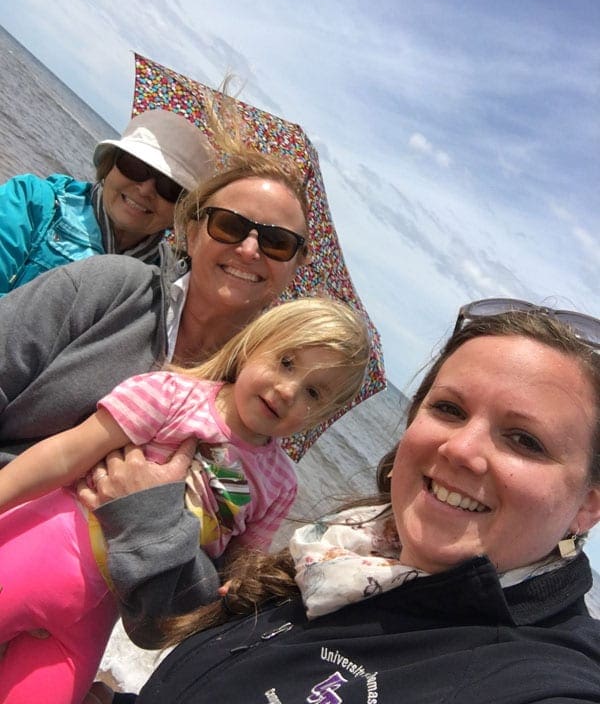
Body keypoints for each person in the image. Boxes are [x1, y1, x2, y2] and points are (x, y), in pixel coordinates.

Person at [95, 299, 600, 704]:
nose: (462, 450)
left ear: (589, 505)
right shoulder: (344, 555)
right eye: (448, 409)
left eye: (524, 441)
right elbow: (188, 631)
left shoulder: (539, 679)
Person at [0, 297, 369, 704]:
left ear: (321, 416)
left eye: (313, 392)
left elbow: (240, 567)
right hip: (46, 548)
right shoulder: (173, 395)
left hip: (101, 613)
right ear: (254, 343)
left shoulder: (281, 484)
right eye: (286, 362)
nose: (288, 390)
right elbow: (66, 454)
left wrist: (235, 598)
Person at [0, 108, 214, 294]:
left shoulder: (169, 287)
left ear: (181, 211)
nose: (146, 189)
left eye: (170, 188)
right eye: (135, 166)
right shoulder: (33, 201)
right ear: (109, 164)